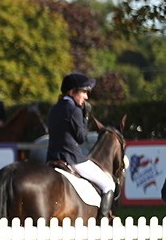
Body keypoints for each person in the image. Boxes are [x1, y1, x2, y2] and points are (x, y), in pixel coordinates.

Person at [46, 72, 115, 219]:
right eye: (83, 92)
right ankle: (103, 223)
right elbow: (81, 137)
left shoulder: (54, 109)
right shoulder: (75, 110)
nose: (86, 97)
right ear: (72, 92)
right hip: (72, 158)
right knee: (109, 184)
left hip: (52, 157)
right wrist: (85, 116)